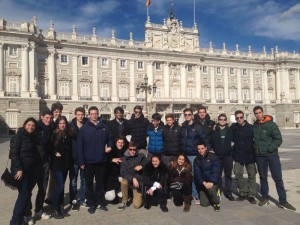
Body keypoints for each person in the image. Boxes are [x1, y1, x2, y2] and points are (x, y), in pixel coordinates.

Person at [253, 106, 296, 211]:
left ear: (263, 113)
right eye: (256, 113)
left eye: (259, 112)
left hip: (271, 155)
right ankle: (265, 197)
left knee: (277, 178)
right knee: (263, 178)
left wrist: (269, 148)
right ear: (254, 114)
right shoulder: (254, 126)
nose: (258, 114)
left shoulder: (271, 125)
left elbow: (278, 139)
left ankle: (283, 201)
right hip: (260, 157)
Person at [77, 106, 112, 214]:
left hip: (101, 160)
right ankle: (91, 203)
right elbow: (80, 146)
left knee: (100, 183)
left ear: (98, 114)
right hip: (88, 162)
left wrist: (110, 146)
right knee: (89, 184)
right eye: (92, 114)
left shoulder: (104, 126)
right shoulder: (84, 128)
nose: (94, 115)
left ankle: (100, 202)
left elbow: (110, 138)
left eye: (96, 113)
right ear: (89, 115)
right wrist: (81, 161)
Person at [10, 118, 39, 225]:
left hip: (29, 170)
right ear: (24, 125)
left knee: (24, 194)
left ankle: (23, 217)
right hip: (21, 171)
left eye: (33, 126)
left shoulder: (31, 137)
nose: (30, 127)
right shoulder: (18, 136)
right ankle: (15, 221)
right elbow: (14, 154)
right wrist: (19, 168)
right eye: (28, 125)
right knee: (24, 195)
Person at [180, 107, 208, 205]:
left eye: (189, 114)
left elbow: (204, 139)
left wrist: (206, 150)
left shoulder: (197, 126)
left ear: (192, 115)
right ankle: (187, 194)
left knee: (194, 175)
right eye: (185, 115)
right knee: (185, 175)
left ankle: (195, 194)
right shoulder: (183, 126)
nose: (187, 116)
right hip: (184, 155)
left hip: (193, 155)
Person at [230, 110, 257, 204]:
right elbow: (226, 132)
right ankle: (243, 192)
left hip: (250, 155)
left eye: (241, 117)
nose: (239, 119)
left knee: (252, 175)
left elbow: (257, 139)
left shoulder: (250, 127)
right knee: (237, 173)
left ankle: (251, 195)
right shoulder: (233, 127)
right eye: (237, 118)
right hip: (238, 154)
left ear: (244, 117)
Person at [50, 116, 72, 219]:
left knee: (62, 186)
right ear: (57, 124)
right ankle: (54, 209)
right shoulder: (54, 134)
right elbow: (49, 147)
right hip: (56, 164)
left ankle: (61, 207)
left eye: (64, 123)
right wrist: (55, 152)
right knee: (59, 186)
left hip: (65, 164)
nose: (62, 125)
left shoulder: (67, 134)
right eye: (60, 123)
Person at [33, 110, 53, 220]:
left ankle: (38, 210)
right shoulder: (35, 127)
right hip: (33, 164)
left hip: (45, 163)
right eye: (47, 118)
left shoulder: (50, 128)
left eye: (50, 118)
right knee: (27, 190)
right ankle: (25, 214)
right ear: (42, 117)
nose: (48, 120)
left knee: (42, 188)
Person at [211, 114, 235, 201]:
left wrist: (232, 150)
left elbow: (234, 141)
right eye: (221, 119)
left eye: (224, 119)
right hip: (217, 156)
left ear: (226, 120)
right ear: (218, 120)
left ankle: (228, 192)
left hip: (228, 156)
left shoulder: (230, 130)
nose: (222, 121)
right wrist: (210, 149)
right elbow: (210, 141)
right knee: (218, 175)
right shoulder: (214, 130)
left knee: (228, 175)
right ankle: (218, 192)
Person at [69, 107, 88, 211]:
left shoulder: (87, 125)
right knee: (73, 181)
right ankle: (74, 199)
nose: (80, 116)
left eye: (82, 114)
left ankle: (82, 199)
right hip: (74, 158)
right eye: (79, 114)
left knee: (84, 180)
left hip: (85, 158)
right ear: (75, 115)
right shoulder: (70, 126)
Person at [118, 141, 146, 211]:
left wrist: (141, 166)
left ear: (136, 149)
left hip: (138, 181)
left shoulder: (141, 156)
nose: (132, 151)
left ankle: (136, 193)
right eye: (130, 149)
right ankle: (124, 201)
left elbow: (148, 163)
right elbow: (123, 172)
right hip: (130, 179)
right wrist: (133, 178)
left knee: (137, 205)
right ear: (128, 149)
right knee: (123, 182)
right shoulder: (124, 158)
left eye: (134, 149)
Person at [194, 141, 221, 212]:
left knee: (211, 189)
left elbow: (216, 171)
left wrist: (212, 182)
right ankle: (212, 195)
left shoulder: (213, 157)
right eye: (199, 149)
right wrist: (203, 183)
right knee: (204, 204)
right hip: (204, 183)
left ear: (206, 148)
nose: (200, 150)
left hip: (213, 182)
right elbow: (197, 173)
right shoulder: (196, 160)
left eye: (202, 148)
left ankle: (216, 202)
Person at [45, 101, 63, 205]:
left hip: (59, 154)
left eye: (59, 112)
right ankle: (49, 197)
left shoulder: (61, 121)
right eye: (56, 112)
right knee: (49, 178)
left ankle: (52, 197)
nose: (58, 113)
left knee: (55, 178)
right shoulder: (50, 122)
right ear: (53, 112)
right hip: (51, 153)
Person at [104, 137, 126, 202]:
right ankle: (104, 192)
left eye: (122, 143)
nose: (120, 144)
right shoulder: (111, 151)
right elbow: (104, 160)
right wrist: (111, 159)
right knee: (111, 197)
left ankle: (118, 190)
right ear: (116, 143)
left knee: (121, 194)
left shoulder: (126, 151)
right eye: (119, 142)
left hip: (120, 175)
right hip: (111, 177)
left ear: (124, 144)